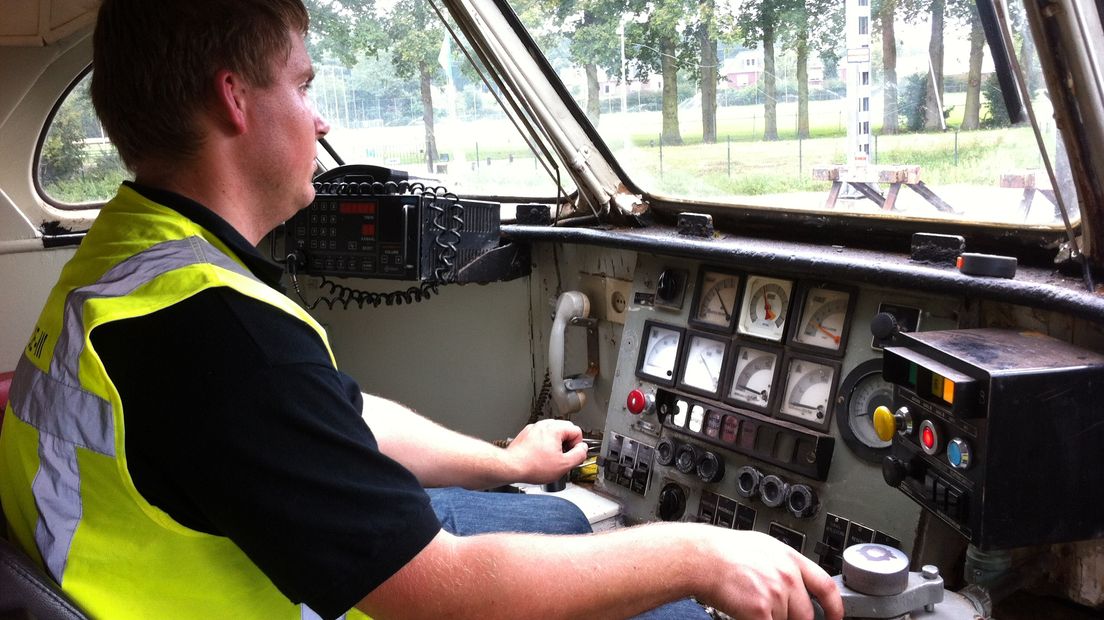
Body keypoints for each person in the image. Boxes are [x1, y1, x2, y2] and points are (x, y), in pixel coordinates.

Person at [0, 1, 843, 618]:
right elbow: (444, 595)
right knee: (672, 609)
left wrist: (504, 460)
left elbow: (336, 419)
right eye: (303, 83)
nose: (319, 114)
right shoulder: (220, 339)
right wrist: (694, 551)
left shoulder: (133, 254)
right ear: (235, 99)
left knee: (551, 512)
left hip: (185, 570)